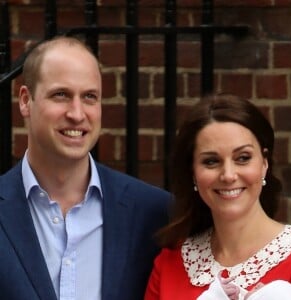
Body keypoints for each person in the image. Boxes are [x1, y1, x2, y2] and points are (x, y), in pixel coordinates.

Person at [0, 36, 172, 300]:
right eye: (61, 95)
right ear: (25, 100)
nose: (77, 114)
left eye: (90, 97)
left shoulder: (154, 213)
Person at [144, 94, 291, 300]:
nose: (228, 175)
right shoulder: (170, 262)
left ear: (264, 163)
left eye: (243, 158)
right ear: (193, 172)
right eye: (211, 161)